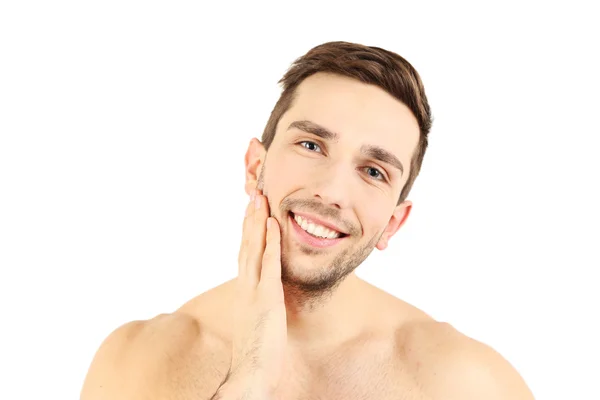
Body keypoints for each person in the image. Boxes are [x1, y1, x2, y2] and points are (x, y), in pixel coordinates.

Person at [81, 41, 535, 400]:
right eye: (312, 145)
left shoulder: (468, 384)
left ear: (393, 224)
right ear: (254, 166)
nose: (333, 192)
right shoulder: (136, 363)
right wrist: (250, 378)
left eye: (373, 172)